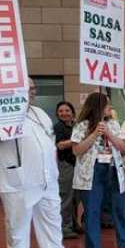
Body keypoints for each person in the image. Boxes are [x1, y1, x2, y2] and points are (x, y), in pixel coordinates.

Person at [0, 78, 79, 248]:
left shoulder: (40, 113)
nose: (32, 92)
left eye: (33, 89)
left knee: (52, 218)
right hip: (18, 178)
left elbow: (49, 141)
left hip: (47, 178)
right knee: (18, 222)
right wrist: (5, 128)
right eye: (28, 89)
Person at [71, 93, 125, 248]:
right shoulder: (82, 126)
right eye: (107, 105)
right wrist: (94, 134)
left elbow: (122, 149)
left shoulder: (112, 124)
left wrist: (109, 134)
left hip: (112, 170)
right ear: (97, 107)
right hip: (91, 173)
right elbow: (76, 150)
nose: (110, 108)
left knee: (120, 209)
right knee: (92, 212)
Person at [54, 101, 79, 238]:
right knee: (66, 197)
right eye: (61, 111)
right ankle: (64, 227)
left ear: (72, 112)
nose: (64, 113)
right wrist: (77, 140)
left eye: (67, 110)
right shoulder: (58, 127)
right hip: (65, 165)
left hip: (76, 164)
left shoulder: (74, 127)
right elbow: (60, 145)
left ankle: (74, 224)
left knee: (75, 198)